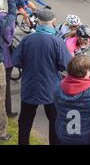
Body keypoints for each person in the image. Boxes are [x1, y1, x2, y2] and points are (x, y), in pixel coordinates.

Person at [12, 9, 72, 145]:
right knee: (54, 121)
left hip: (29, 87)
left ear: (38, 21)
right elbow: (65, 65)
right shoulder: (57, 41)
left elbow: (16, 61)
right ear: (53, 22)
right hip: (50, 88)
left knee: (25, 122)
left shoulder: (27, 39)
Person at [0, 0, 17, 141]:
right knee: (3, 90)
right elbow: (9, 35)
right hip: (4, 58)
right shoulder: (4, 18)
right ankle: (7, 113)